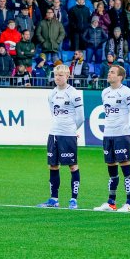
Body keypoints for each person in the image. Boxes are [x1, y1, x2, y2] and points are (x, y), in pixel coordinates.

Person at [37, 64, 85, 210]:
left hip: (68, 134)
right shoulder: (52, 94)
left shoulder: (73, 93)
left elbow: (81, 117)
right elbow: (53, 112)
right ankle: (54, 199)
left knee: (72, 166)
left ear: (67, 76)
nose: (57, 78)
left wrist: (71, 129)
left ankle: (73, 199)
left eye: (61, 75)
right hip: (54, 133)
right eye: (56, 75)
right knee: (53, 165)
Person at [94, 65, 130, 212]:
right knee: (111, 168)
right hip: (108, 135)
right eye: (109, 72)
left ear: (120, 77)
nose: (109, 74)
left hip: (122, 134)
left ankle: (129, 203)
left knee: (125, 167)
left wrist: (129, 132)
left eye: (112, 72)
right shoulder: (105, 92)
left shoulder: (126, 92)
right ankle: (111, 202)